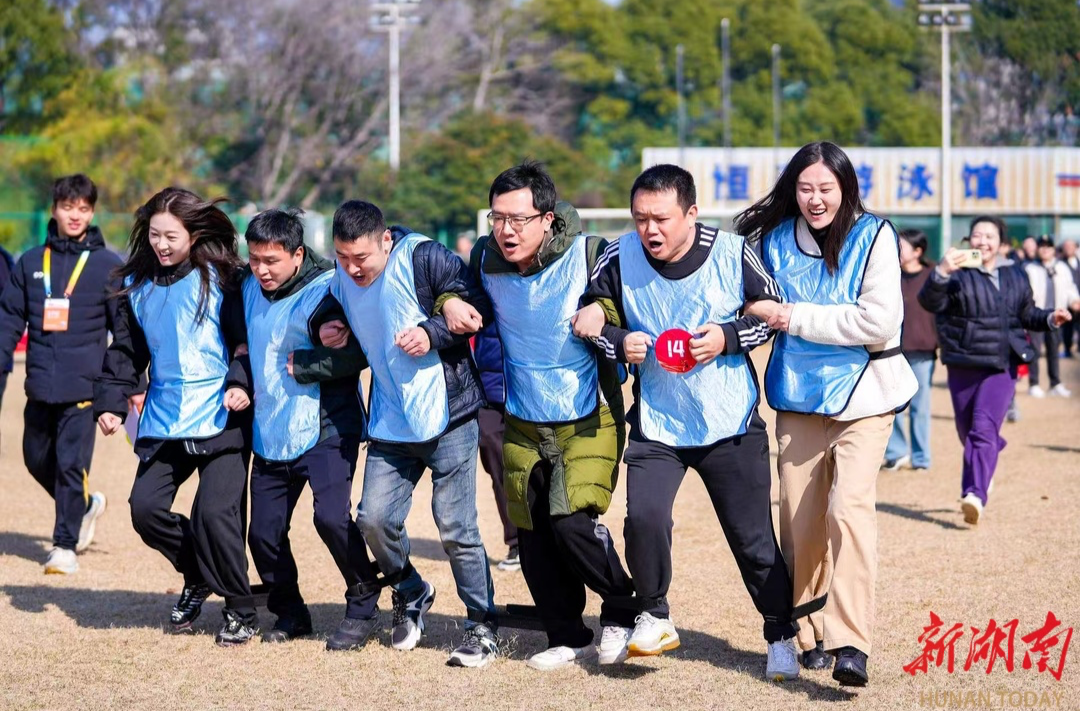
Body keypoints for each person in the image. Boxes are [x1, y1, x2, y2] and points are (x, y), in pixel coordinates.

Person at [572, 164, 800, 680]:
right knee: (644, 520)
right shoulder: (620, 254)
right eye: (640, 219)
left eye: (661, 219)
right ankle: (653, 614)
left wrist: (725, 336)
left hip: (729, 421)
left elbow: (771, 314)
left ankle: (780, 633)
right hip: (658, 423)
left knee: (752, 541)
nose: (649, 230)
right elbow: (593, 315)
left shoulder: (732, 251)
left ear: (692, 214)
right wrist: (617, 340)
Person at [441, 160, 637, 671]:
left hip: (587, 413)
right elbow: (459, 289)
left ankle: (624, 607)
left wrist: (602, 310)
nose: (506, 230)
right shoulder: (486, 256)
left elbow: (623, 304)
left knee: (571, 520)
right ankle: (566, 633)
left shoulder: (590, 253)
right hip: (523, 414)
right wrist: (448, 302)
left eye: (518, 219)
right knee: (532, 532)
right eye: (497, 218)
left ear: (547, 219)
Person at [737, 141, 918, 688]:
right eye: (805, 188)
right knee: (799, 524)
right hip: (797, 395)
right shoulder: (769, 241)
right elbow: (744, 302)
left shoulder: (875, 235)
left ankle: (851, 643)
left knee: (848, 509)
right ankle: (812, 630)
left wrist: (791, 315)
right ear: (793, 190)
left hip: (866, 395)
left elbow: (878, 322)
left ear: (846, 188)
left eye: (826, 188)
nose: (815, 199)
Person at [324, 199, 499, 668]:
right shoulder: (342, 273)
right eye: (343, 258)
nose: (352, 268)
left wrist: (432, 332)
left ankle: (481, 625)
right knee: (373, 519)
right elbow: (328, 302)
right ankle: (411, 590)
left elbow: (474, 305)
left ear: (385, 240)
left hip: (450, 414)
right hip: (390, 418)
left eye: (361, 258)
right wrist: (328, 324)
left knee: (456, 527)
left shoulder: (423, 256)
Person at [94, 187, 259, 646]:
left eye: (171, 235)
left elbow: (245, 342)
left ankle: (241, 610)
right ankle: (197, 574)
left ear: (194, 233)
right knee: (144, 509)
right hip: (167, 416)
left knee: (215, 513)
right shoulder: (137, 290)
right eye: (154, 236)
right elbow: (127, 350)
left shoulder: (225, 278)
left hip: (223, 414)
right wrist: (111, 403)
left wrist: (240, 382)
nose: (161, 245)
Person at [239, 208, 383, 650]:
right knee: (262, 533)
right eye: (255, 259)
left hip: (325, 426)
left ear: (297, 255)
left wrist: (316, 350)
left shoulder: (327, 291)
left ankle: (362, 602)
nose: (262, 270)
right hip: (271, 430)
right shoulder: (246, 288)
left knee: (330, 519)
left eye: (272, 261)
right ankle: (291, 612)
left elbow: (352, 348)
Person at [0, 175, 124, 575]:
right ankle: (85, 505)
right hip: (38, 384)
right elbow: (8, 323)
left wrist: (122, 389)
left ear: (92, 212)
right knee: (35, 460)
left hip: (83, 387)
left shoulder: (107, 265)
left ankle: (64, 545)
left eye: (84, 208)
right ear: (54, 209)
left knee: (72, 465)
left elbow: (123, 334)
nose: (76, 215)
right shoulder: (31, 262)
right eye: (69, 207)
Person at [919, 216, 1071, 525]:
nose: (982, 241)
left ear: (1001, 243)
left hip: (1002, 364)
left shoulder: (1015, 273)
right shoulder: (956, 272)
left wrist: (1050, 319)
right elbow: (928, 302)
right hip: (963, 362)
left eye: (989, 236)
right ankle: (988, 456)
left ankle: (975, 493)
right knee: (968, 433)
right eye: (977, 235)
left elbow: (1026, 313)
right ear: (969, 240)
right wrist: (941, 272)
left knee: (982, 429)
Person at [882, 229, 938, 471]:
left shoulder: (932, 276)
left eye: (902, 246)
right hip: (891, 350)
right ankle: (897, 452)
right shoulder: (888, 274)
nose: (897, 249)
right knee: (891, 404)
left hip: (922, 349)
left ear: (918, 251)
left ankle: (921, 457)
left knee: (919, 407)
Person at [471, 318, 520, 571]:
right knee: (496, 459)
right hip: (488, 386)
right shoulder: (481, 278)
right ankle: (516, 542)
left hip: (527, 383)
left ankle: (549, 539)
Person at [1023, 236, 1080, 397]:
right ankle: (1033, 383)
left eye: (1048, 246)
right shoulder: (1030, 268)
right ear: (1037, 249)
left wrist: (1075, 300)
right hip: (1035, 316)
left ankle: (1055, 383)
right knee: (1034, 349)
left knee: (1054, 349)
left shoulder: (1061, 267)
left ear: (1054, 249)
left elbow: (1070, 288)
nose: (1045, 249)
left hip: (1056, 316)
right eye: (1042, 246)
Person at [1061, 239, 1080, 358]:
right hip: (1067, 302)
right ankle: (1067, 349)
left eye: (1071, 246)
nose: (1068, 248)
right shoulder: (1060, 264)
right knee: (1067, 328)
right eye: (1066, 246)